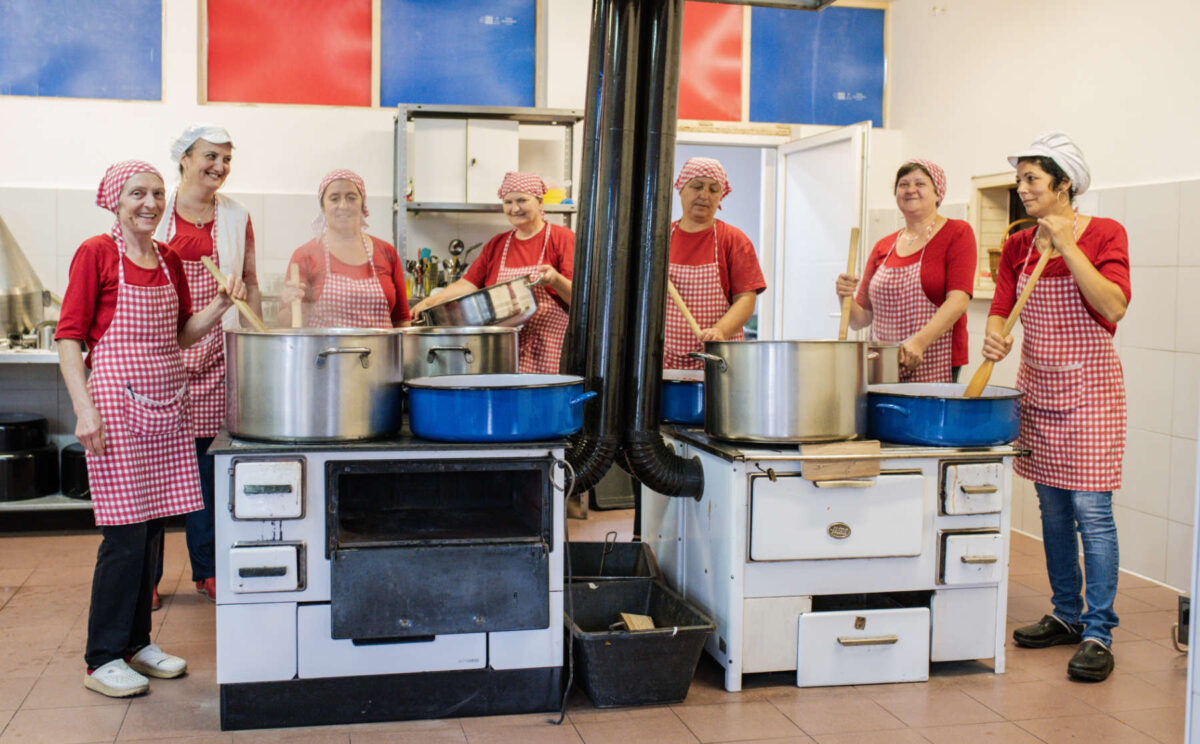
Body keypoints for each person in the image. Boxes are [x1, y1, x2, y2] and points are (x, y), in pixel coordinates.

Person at [56, 160, 246, 697]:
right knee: (122, 536)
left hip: (165, 404)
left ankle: (136, 644)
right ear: (115, 201)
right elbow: (70, 339)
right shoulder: (96, 253)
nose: (150, 203)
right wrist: (84, 408)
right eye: (138, 193)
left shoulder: (167, 258)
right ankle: (100, 658)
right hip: (115, 407)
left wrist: (221, 304)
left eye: (158, 193)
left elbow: (183, 336)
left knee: (152, 528)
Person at [982, 131, 1130, 682]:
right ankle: (1066, 615)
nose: (1022, 189)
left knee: (1092, 512)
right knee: (1052, 511)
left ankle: (1099, 630)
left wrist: (1066, 244)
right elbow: (1000, 307)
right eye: (1020, 179)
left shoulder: (1104, 234)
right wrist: (995, 336)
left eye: (1031, 179)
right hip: (1040, 390)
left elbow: (1113, 305)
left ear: (1064, 184)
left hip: (1091, 392)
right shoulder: (1020, 243)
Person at [156, 124, 259, 605]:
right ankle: (146, 579)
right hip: (163, 354)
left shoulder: (236, 217)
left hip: (217, 353)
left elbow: (252, 282)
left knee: (205, 471)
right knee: (153, 472)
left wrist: (261, 338)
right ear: (184, 159)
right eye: (210, 157)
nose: (219, 167)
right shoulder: (156, 211)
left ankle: (209, 567)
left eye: (226, 159)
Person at [411, 172, 573, 374]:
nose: (514, 208)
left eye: (522, 200)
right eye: (508, 202)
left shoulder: (562, 239)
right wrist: (428, 302)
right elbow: (468, 284)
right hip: (502, 350)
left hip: (547, 348)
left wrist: (555, 280)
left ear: (540, 202)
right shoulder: (498, 244)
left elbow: (580, 300)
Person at [834, 159, 975, 381]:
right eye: (903, 184)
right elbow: (860, 319)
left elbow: (958, 301)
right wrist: (845, 296)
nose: (910, 190)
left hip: (934, 360)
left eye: (920, 183)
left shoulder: (957, 233)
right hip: (883, 363)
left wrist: (918, 343)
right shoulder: (884, 246)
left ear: (938, 194)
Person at [664, 157, 765, 369]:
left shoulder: (733, 240)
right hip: (667, 359)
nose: (704, 195)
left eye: (713, 189)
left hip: (719, 358)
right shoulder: (661, 239)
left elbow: (746, 299)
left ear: (721, 196)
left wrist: (720, 331)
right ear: (681, 189)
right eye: (697, 186)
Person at [280, 169, 410, 328]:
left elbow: (402, 321)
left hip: (380, 352)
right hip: (324, 352)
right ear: (323, 207)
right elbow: (287, 326)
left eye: (351, 198)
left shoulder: (387, 252)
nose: (343, 206)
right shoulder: (305, 255)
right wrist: (291, 306)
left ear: (362, 204)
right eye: (334, 199)